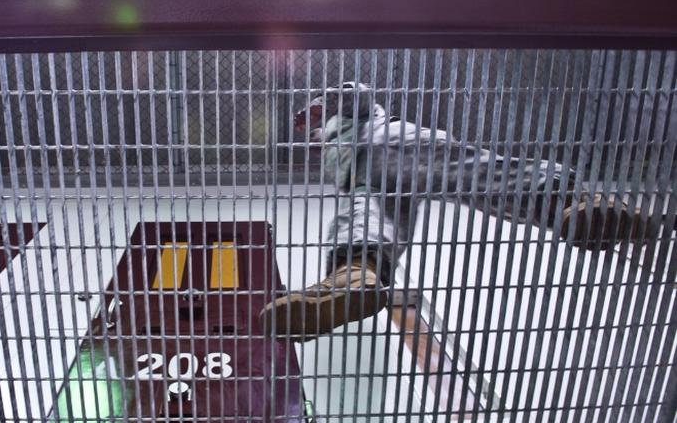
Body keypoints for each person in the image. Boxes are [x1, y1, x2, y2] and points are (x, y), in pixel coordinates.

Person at [258, 82, 658, 341]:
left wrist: (324, 101)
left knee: (478, 175)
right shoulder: (331, 146)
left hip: (396, 146)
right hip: (367, 178)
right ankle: (351, 281)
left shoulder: (360, 117)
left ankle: (581, 205)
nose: (309, 133)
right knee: (367, 219)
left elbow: (358, 92)